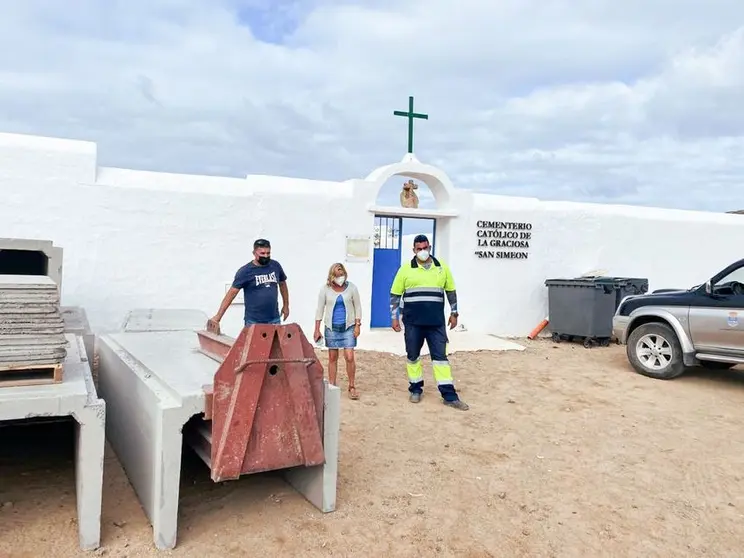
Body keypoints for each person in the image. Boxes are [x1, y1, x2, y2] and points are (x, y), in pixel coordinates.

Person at [389, 234, 469, 411]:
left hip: (436, 324)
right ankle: (416, 389)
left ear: (430, 247)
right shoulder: (405, 270)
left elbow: (451, 292)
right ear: (414, 250)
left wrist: (454, 313)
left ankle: (449, 395)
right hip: (413, 323)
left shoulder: (442, 268)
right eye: (419, 249)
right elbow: (395, 295)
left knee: (441, 359)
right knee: (412, 357)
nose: (423, 251)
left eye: (425, 248)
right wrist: (394, 317)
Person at [207, 238, 289, 333]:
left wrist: (286, 305)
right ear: (254, 253)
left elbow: (283, 284)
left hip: (274, 319)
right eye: (262, 253)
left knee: (275, 347)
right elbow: (231, 294)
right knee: (255, 347)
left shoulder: (275, 266)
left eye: (268, 253)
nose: (266, 256)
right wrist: (218, 317)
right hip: (253, 322)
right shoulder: (245, 271)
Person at [314, 263, 362, 400]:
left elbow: (357, 307)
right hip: (332, 327)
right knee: (332, 357)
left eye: (342, 274)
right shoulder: (325, 290)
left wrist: (358, 325)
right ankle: (332, 386)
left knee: (350, 356)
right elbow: (320, 309)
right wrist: (317, 329)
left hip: (349, 326)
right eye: (337, 275)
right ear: (332, 276)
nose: (340, 277)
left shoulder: (352, 288)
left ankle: (352, 386)